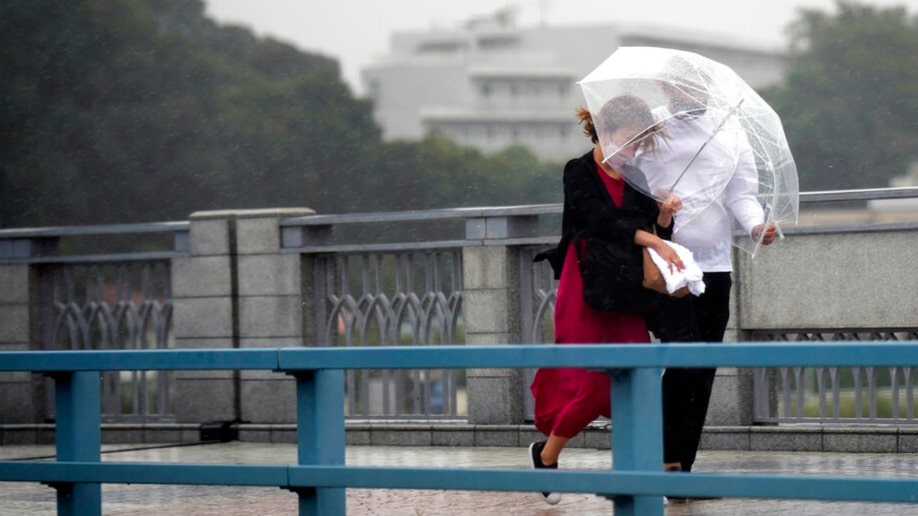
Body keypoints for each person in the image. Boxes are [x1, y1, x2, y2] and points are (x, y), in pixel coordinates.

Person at [630, 67, 778, 499]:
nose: (686, 92)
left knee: (703, 368)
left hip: (715, 267)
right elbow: (628, 183)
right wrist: (657, 207)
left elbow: (741, 194)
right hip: (667, 265)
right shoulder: (652, 125)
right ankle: (665, 461)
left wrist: (755, 227)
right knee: (680, 362)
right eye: (677, 85)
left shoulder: (728, 130)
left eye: (694, 85)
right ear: (664, 87)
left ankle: (682, 467)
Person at [528, 94, 683, 505]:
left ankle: (644, 469)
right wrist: (651, 234)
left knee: (638, 377)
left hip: (625, 291)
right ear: (605, 130)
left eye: (641, 141)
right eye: (630, 139)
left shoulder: (636, 177)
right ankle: (548, 455)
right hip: (585, 287)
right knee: (595, 380)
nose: (634, 149)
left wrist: (664, 217)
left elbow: (655, 236)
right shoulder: (578, 171)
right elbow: (597, 221)